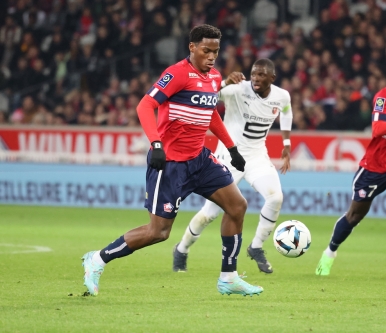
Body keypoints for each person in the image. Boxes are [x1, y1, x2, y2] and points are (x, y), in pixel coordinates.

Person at [81, 24, 263, 297]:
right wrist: (155, 143)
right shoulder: (176, 74)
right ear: (192, 47)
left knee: (237, 206)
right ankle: (97, 259)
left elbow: (210, 112)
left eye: (216, 51)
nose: (212, 56)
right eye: (206, 50)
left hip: (199, 159)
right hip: (170, 163)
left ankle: (229, 277)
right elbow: (145, 105)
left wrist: (231, 148)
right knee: (159, 232)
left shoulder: (214, 77)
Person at [315, 53, 386, 276]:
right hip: (374, 167)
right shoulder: (383, 97)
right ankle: (329, 253)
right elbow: (377, 129)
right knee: (354, 216)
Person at [173, 58, 293, 274]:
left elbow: (286, 111)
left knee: (276, 197)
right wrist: (225, 84)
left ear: (272, 78)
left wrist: (286, 143)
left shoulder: (281, 95)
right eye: (254, 74)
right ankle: (181, 249)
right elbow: (209, 97)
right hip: (230, 156)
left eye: (261, 75)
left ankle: (256, 247)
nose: (256, 78)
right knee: (210, 213)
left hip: (257, 156)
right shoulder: (237, 90)